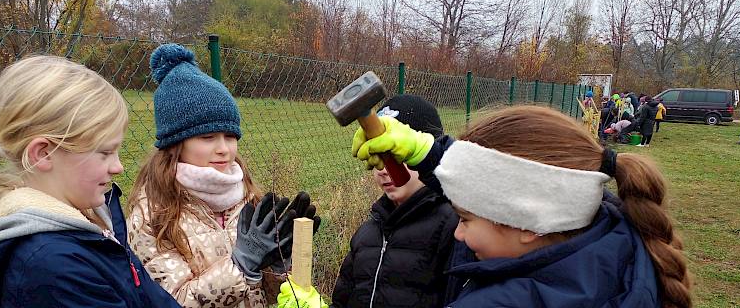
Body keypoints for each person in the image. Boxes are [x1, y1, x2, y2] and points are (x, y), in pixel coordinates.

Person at [351, 105, 691, 307]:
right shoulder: (603, 227)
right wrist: (429, 153)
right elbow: (506, 185)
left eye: (465, 219)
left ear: (527, 223)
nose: (457, 232)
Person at [0, 56, 183, 308]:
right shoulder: (53, 268)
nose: (118, 167)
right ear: (43, 154)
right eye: (105, 153)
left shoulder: (92, 223)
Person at [127, 44, 318, 308]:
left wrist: (280, 264)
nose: (224, 149)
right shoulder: (153, 215)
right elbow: (172, 302)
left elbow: (270, 297)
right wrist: (241, 266)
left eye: (230, 136)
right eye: (208, 137)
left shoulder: (248, 198)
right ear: (175, 144)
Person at [330, 95, 458, 308]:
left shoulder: (455, 228)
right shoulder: (368, 232)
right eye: (378, 157)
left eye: (395, 155)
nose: (383, 169)